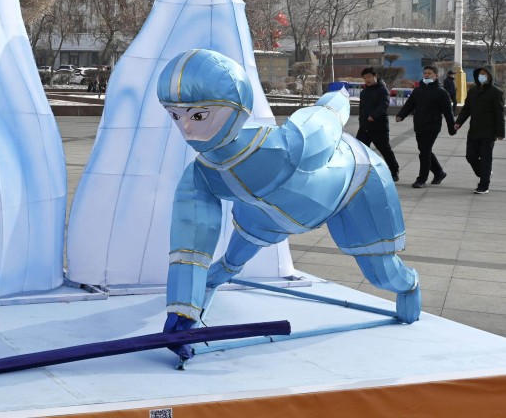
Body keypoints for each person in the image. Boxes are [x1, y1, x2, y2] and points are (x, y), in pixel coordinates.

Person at [158, 50, 420, 362]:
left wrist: (337, 94)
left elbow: (327, 114)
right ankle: (195, 305)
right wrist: (180, 310)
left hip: (352, 184)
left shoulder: (289, 143)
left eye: (198, 115)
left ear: (236, 107)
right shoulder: (200, 175)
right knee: (227, 264)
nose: (186, 129)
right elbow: (191, 244)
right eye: (176, 116)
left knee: (383, 275)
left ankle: (410, 285)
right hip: (267, 217)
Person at [396, 66, 456, 189]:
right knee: (425, 151)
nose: (427, 75)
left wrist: (452, 128)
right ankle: (439, 173)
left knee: (424, 152)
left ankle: (421, 179)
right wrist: (401, 115)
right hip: (419, 125)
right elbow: (409, 105)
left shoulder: (441, 92)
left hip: (433, 126)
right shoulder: (418, 90)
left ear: (436, 75)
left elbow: (448, 112)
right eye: (425, 73)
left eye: (430, 73)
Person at [455, 67, 506, 194]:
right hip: (474, 130)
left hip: (489, 132)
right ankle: (485, 173)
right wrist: (459, 122)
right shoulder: (472, 91)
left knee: (485, 159)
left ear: (490, 76)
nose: (481, 76)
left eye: (484, 74)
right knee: (470, 156)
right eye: (480, 74)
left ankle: (484, 185)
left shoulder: (496, 92)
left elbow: (500, 114)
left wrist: (501, 133)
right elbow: (467, 109)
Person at [356, 67, 400, 182]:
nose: (367, 80)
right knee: (359, 150)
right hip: (365, 127)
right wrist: (361, 120)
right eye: (365, 78)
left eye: (369, 77)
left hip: (379, 126)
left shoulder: (383, 90)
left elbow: (384, 105)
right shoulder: (364, 92)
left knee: (385, 150)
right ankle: (360, 171)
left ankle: (394, 171)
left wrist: (373, 116)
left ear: (375, 77)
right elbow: (362, 109)